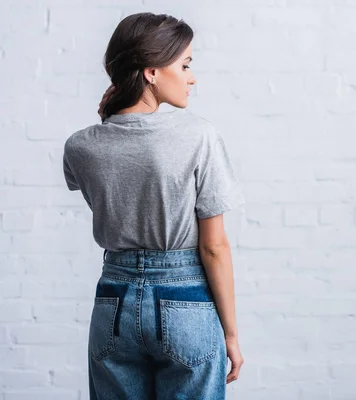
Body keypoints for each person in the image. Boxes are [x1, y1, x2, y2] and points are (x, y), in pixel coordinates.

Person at [62, 12, 245, 399]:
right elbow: (213, 246)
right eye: (185, 65)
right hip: (186, 303)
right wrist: (230, 332)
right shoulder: (198, 136)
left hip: (113, 302)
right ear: (151, 72)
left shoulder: (81, 146)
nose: (192, 77)